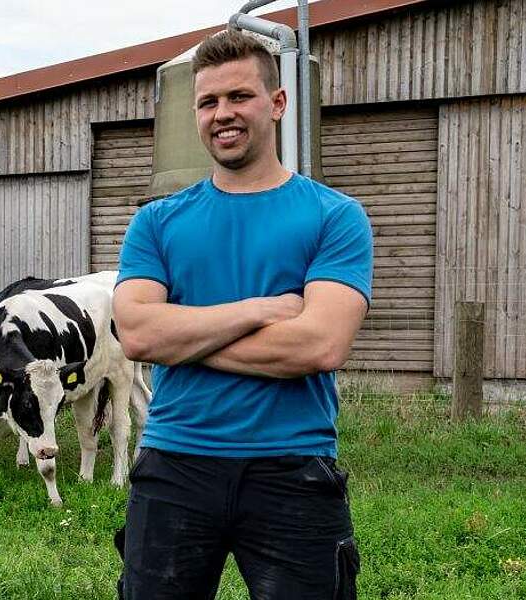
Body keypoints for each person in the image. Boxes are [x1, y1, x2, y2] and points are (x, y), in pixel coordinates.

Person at [112, 29, 372, 599]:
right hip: (175, 463)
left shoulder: (335, 217)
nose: (222, 114)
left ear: (277, 104)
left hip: (294, 468)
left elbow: (318, 346)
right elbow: (135, 334)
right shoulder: (156, 223)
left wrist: (182, 335)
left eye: (239, 97)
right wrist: (258, 310)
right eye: (208, 102)